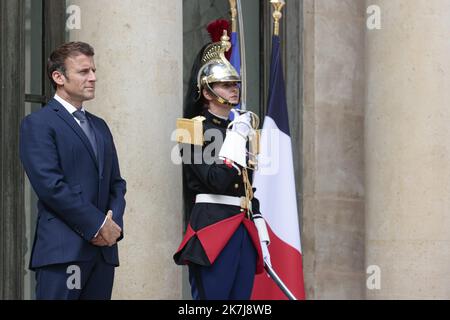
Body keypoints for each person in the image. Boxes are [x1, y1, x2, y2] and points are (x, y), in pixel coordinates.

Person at [19, 41, 126, 300]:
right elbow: (50, 187)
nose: (93, 77)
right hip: (63, 251)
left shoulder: (100, 126)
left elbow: (117, 184)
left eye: (93, 70)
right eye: (84, 71)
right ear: (58, 77)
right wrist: (98, 225)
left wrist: (113, 226)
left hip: (103, 254)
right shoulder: (38, 123)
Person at [173, 31, 271, 300]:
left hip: (243, 228)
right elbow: (215, 179)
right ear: (206, 91)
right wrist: (236, 138)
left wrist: (259, 222)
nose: (234, 89)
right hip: (212, 230)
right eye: (225, 84)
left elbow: (247, 186)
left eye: (235, 83)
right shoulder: (189, 130)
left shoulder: (243, 129)